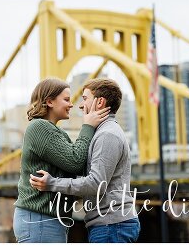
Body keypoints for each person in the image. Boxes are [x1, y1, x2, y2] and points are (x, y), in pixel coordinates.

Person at [29, 78, 140, 243]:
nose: (80, 105)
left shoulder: (107, 135)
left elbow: (96, 184)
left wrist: (52, 183)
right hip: (109, 225)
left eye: (85, 98)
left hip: (111, 226)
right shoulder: (103, 133)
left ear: (100, 102)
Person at [13, 77, 110, 243]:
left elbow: (78, 166)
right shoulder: (39, 128)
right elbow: (75, 161)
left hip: (47, 220)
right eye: (66, 99)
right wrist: (88, 126)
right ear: (49, 101)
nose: (71, 104)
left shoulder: (56, 133)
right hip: (40, 220)